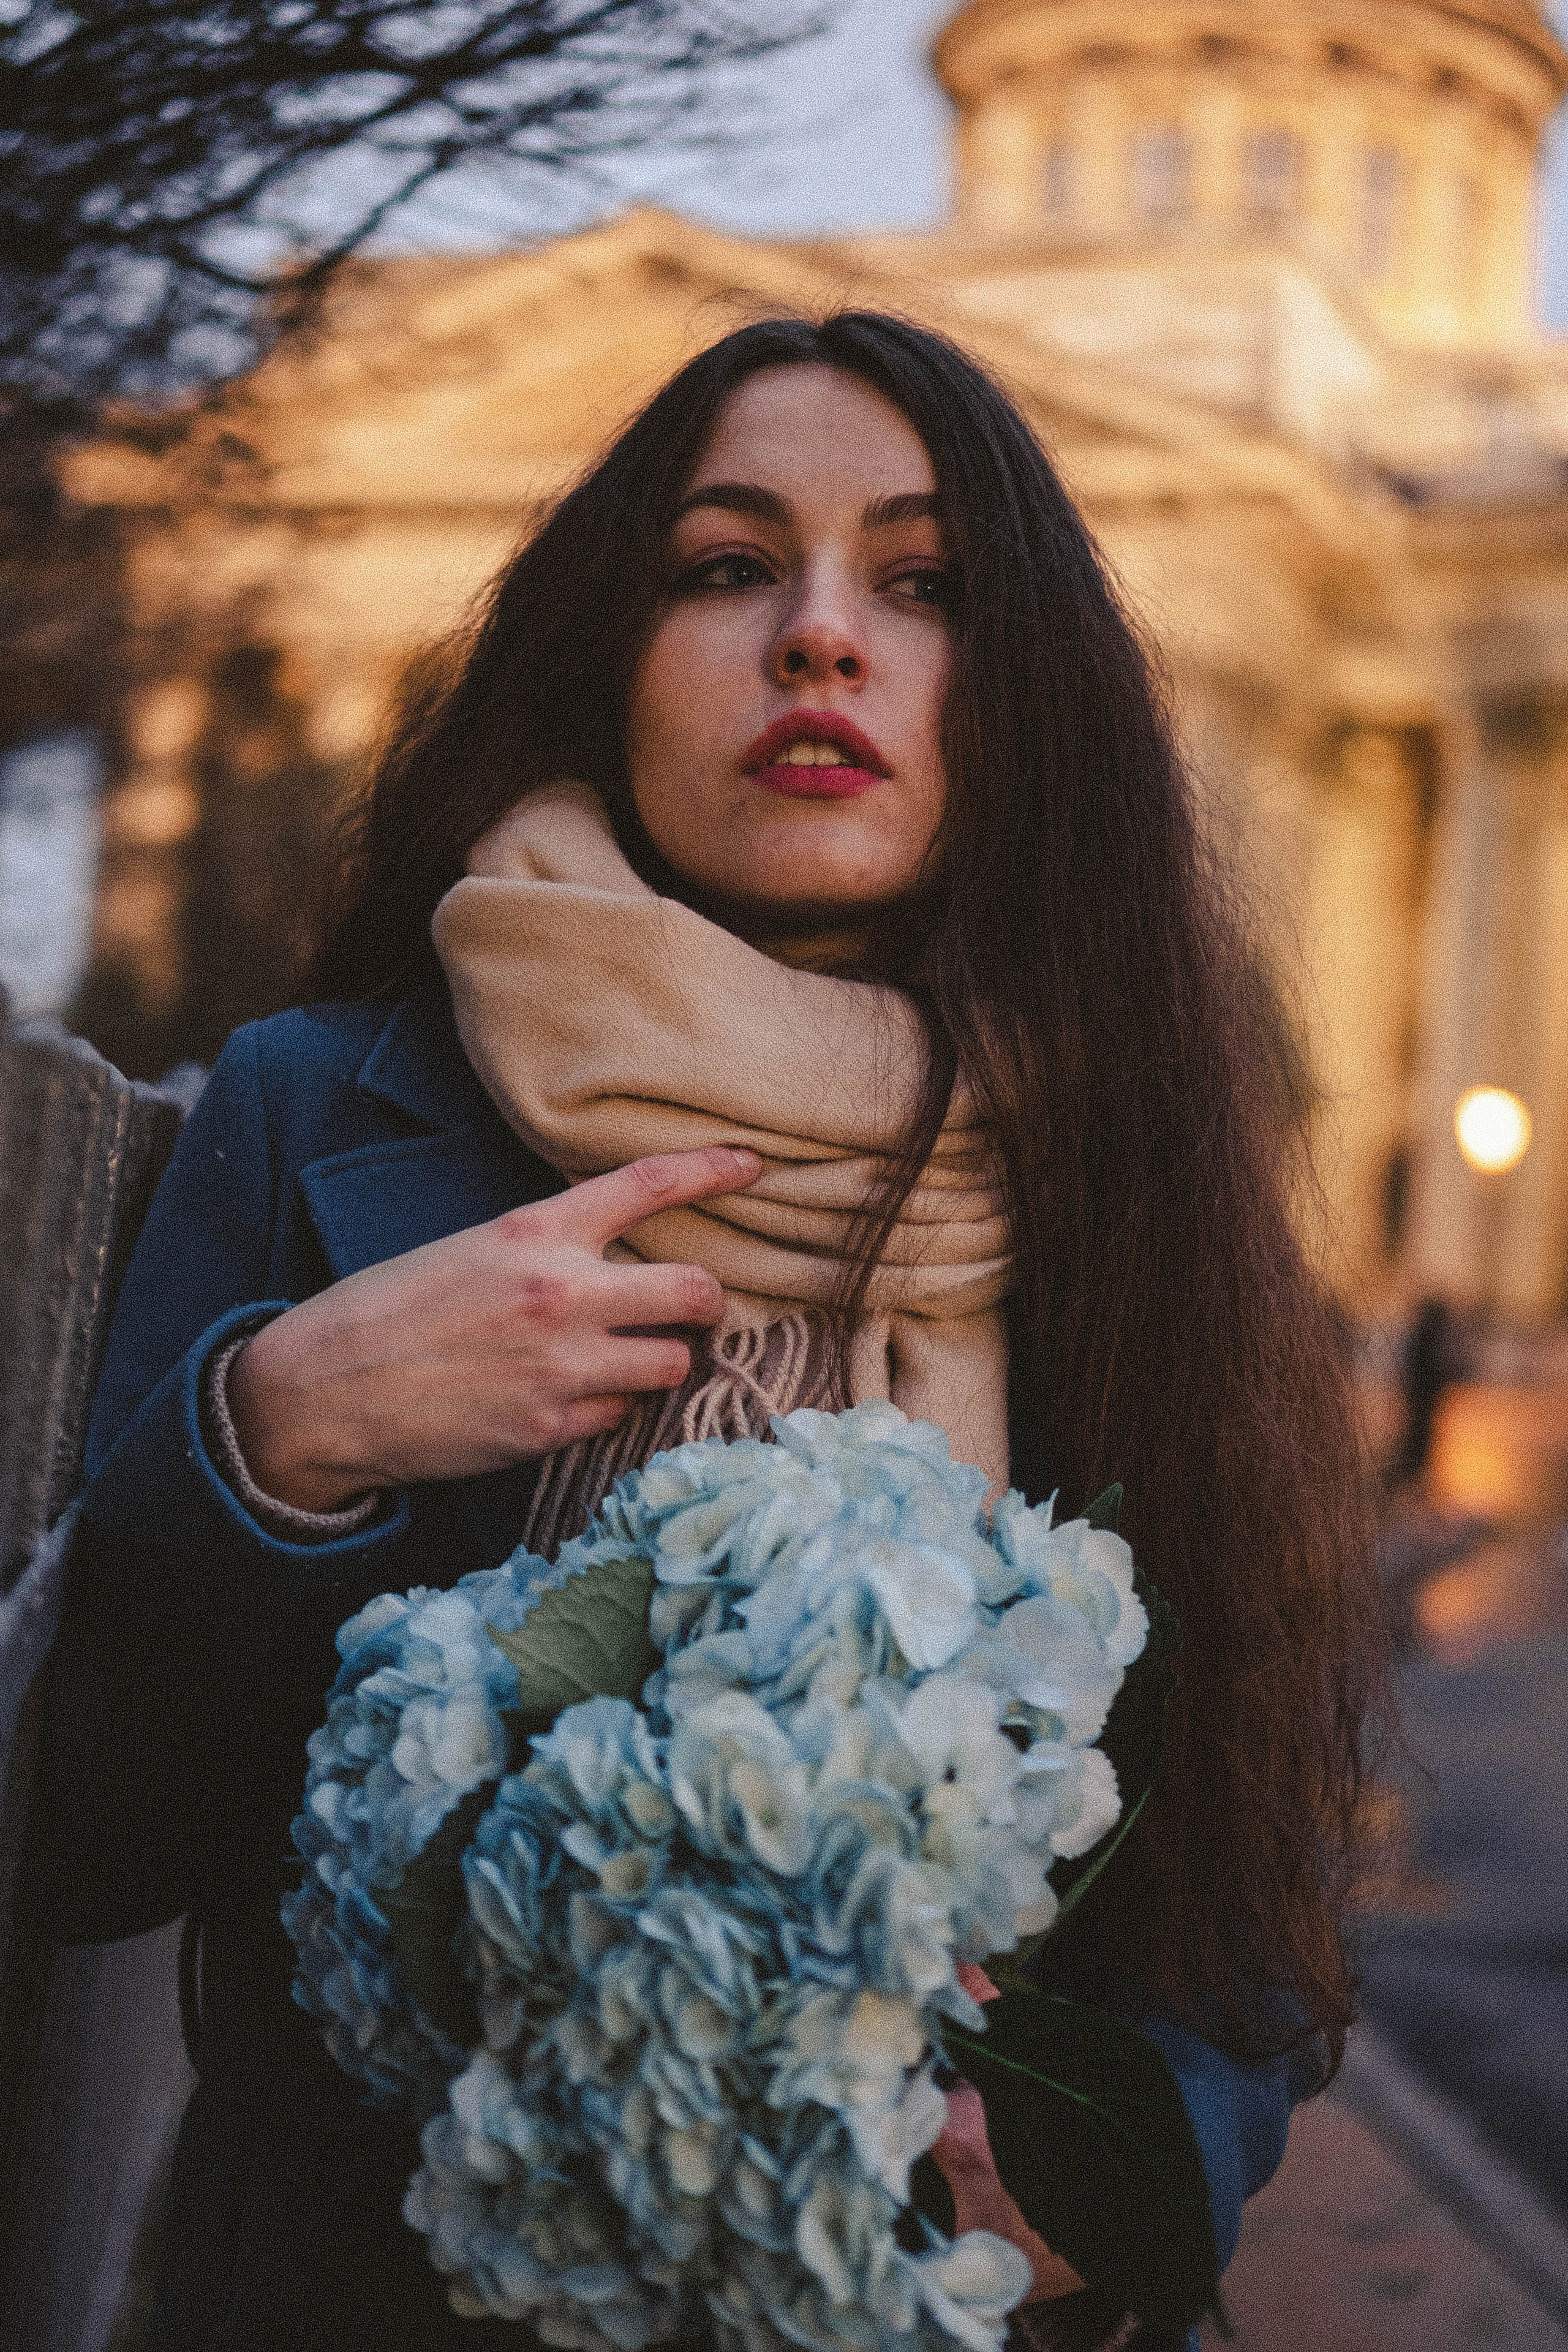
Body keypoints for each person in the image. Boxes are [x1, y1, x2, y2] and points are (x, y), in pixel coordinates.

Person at [40, 314, 1381, 2352]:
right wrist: (283, 1432)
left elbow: (1250, 1916)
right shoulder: (322, 1110)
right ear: (607, 651)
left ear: (1028, 701)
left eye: (923, 585)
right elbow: (86, 1846)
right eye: (729, 565)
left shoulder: (1148, 1200)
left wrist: (1113, 2180)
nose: (822, 639)